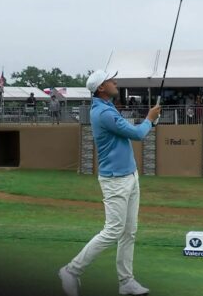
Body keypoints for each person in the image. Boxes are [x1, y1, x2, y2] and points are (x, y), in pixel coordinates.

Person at [58, 70, 161, 296]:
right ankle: (71, 271)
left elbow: (135, 132)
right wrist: (150, 120)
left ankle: (126, 282)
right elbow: (137, 134)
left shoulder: (108, 108)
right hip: (115, 180)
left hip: (130, 176)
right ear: (101, 88)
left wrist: (149, 122)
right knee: (114, 230)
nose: (116, 82)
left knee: (129, 231)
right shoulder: (103, 113)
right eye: (111, 80)